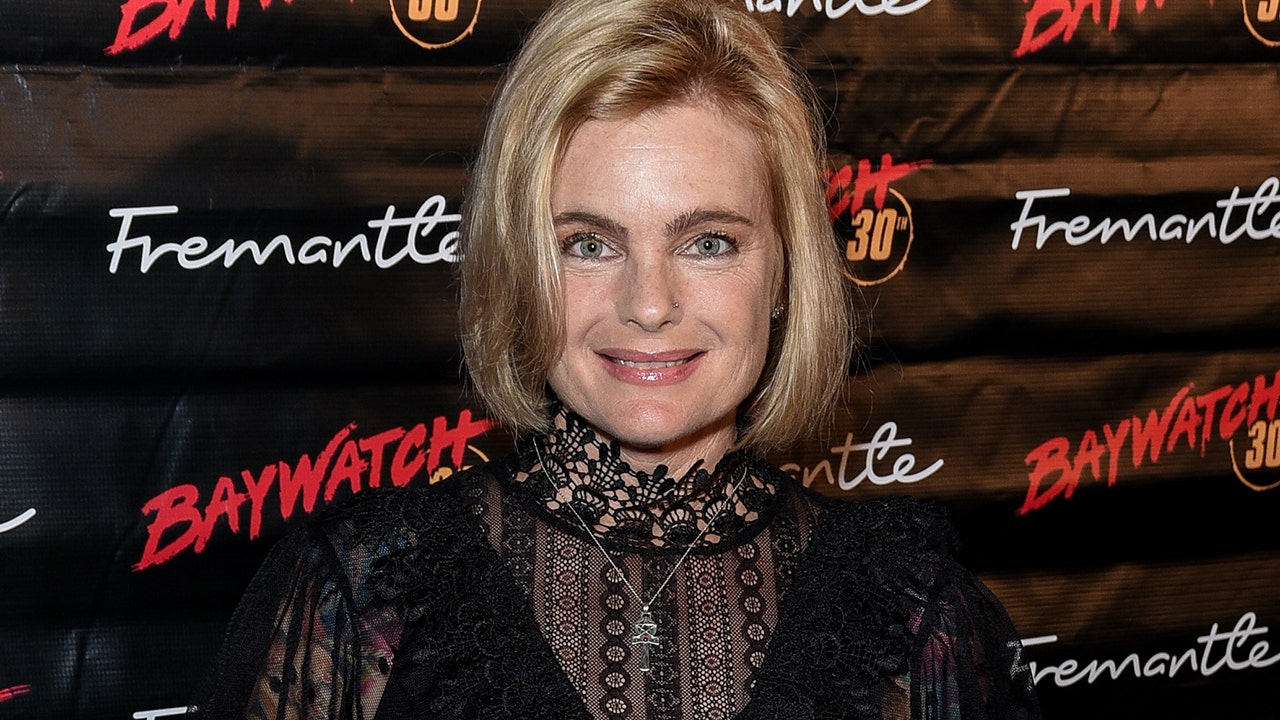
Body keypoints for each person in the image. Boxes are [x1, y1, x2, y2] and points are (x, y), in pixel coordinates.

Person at [191, 0, 1041, 718]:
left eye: (709, 241)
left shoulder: (911, 614)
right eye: (588, 244)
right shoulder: (360, 593)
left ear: (785, 273)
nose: (649, 303)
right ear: (519, 266)